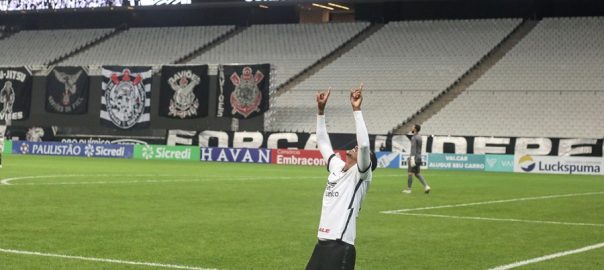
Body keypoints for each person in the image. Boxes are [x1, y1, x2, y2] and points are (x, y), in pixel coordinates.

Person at [306, 84, 377, 270]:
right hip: (321, 245)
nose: (356, 148)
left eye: (363, 153)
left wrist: (356, 109)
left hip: (341, 245)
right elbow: (322, 142)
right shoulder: (337, 167)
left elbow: (363, 146)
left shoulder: (360, 175)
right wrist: (320, 112)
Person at [403, 124, 430, 194]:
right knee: (417, 173)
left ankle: (408, 189)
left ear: (415, 129)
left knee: (410, 173)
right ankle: (426, 186)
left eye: (412, 127)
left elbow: (413, 149)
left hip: (414, 157)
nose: (411, 128)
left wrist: (411, 158)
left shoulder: (414, 137)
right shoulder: (420, 137)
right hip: (419, 157)